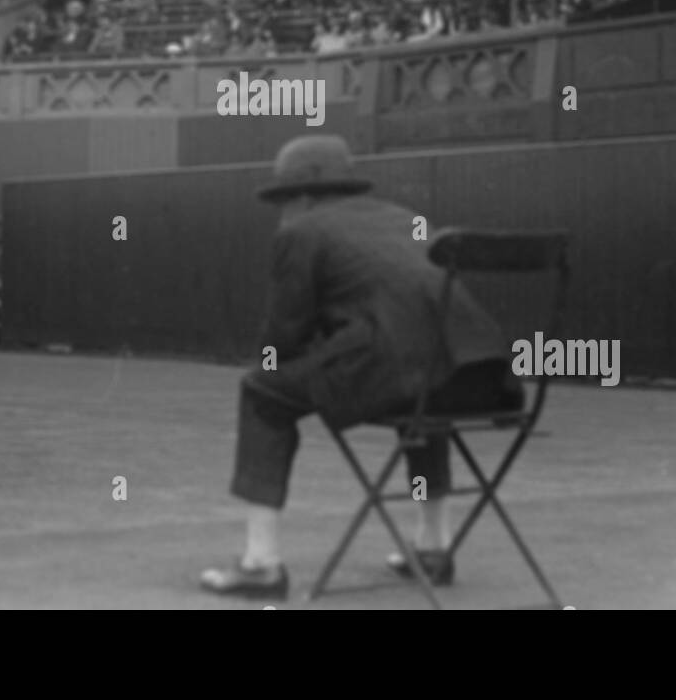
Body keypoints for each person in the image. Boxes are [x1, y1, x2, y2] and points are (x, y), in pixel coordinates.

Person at [199, 135, 523, 598]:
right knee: (422, 397)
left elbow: (283, 339)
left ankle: (260, 563)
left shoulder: (301, 232)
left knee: (262, 391)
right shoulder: (405, 219)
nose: (281, 214)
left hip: (402, 371)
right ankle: (433, 547)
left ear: (303, 197)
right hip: (485, 377)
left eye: (283, 202)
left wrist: (281, 361)